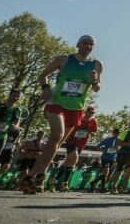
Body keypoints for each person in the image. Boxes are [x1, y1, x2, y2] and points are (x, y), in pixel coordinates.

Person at [22, 35, 103, 193]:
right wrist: (45, 88)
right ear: (78, 44)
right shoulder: (64, 59)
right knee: (56, 136)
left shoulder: (96, 65)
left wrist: (95, 81)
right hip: (56, 103)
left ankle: (32, 177)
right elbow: (42, 75)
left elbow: (97, 88)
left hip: (76, 108)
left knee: (55, 144)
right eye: (85, 43)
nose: (88, 46)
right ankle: (38, 177)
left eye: (91, 44)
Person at [55, 106, 98, 191]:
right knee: (74, 158)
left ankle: (55, 180)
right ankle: (65, 182)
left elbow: (94, 132)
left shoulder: (93, 122)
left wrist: (93, 134)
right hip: (71, 141)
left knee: (68, 162)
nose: (91, 114)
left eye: (92, 113)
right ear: (85, 112)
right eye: (89, 112)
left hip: (81, 144)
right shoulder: (79, 118)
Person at [0, 89, 23, 185]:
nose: (15, 98)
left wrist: (14, 127)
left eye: (18, 96)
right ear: (9, 95)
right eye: (14, 95)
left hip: (1, 138)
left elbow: (17, 123)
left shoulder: (17, 110)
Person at [109, 120, 130, 194]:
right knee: (119, 171)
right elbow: (118, 143)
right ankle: (114, 187)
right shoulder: (125, 132)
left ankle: (123, 187)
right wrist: (127, 144)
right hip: (122, 153)